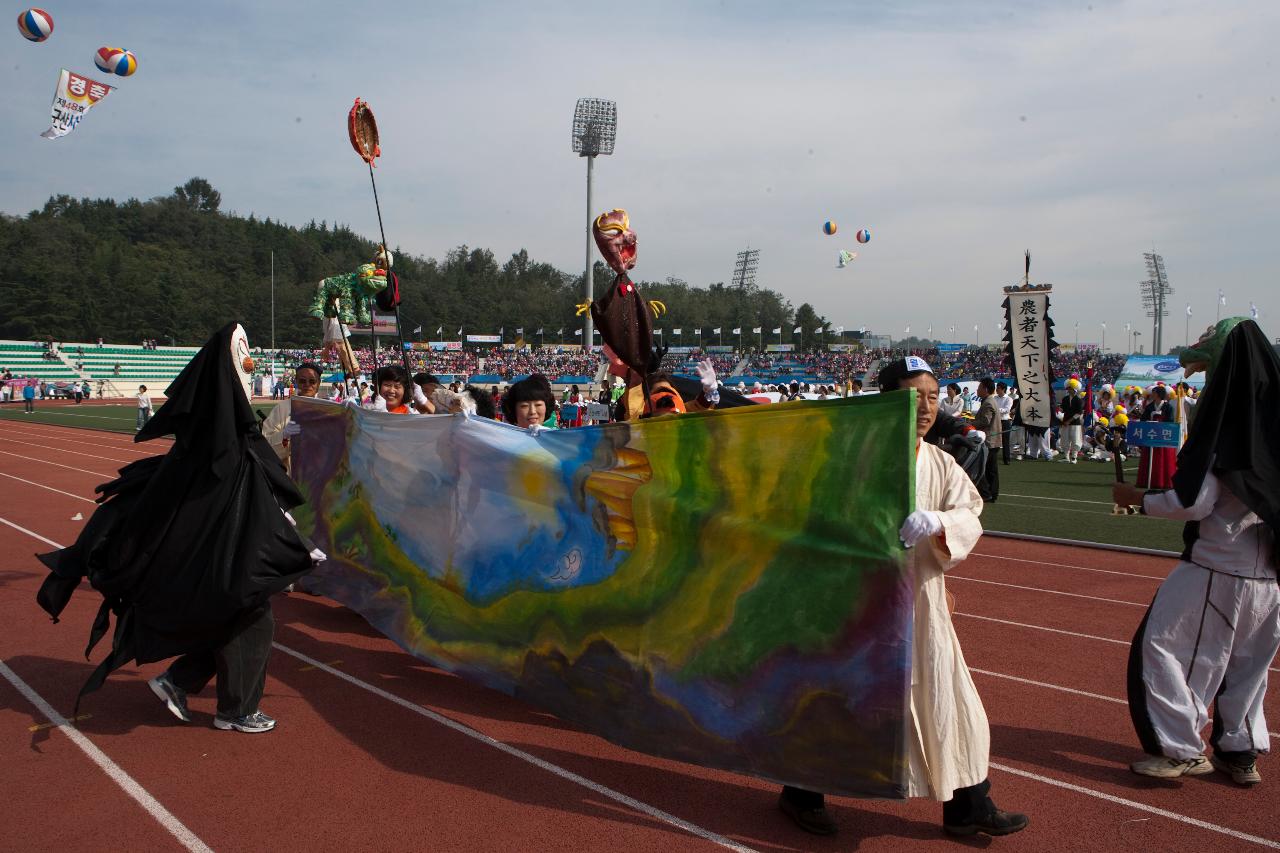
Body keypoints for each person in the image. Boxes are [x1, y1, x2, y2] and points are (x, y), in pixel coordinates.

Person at [778, 356, 1027, 838]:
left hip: (922, 603)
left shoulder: (940, 463)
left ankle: (967, 804)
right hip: (857, 604)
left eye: (933, 397)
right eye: (915, 397)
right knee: (840, 696)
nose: (926, 407)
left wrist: (940, 524)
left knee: (947, 695)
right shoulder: (852, 457)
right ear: (890, 399)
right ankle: (801, 791)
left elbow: (970, 513)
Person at [36, 323, 318, 733]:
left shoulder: (223, 435)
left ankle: (182, 683)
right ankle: (234, 709)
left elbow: (251, 492)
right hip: (221, 556)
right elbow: (235, 497)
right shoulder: (220, 442)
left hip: (224, 553)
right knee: (251, 618)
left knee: (233, 618)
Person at [1119, 318, 1279, 786]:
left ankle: (1179, 748)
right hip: (1270, 576)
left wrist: (1137, 500)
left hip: (1216, 565)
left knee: (1164, 647)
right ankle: (1240, 748)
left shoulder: (1227, 425)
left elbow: (1194, 502)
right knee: (1249, 667)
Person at [260, 362, 323, 470]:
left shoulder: (327, 410)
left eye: (312, 381)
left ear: (318, 384)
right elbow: (264, 448)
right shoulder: (281, 409)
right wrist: (284, 435)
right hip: (290, 478)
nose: (307, 384)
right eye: (302, 381)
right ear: (296, 382)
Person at [970, 378, 1001, 502]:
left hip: (989, 440)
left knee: (985, 469)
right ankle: (991, 494)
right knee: (991, 469)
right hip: (993, 440)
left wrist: (970, 423)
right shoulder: (990, 401)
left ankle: (987, 493)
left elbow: (985, 421)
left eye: (979, 388)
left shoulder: (988, 402)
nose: (977, 390)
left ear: (986, 389)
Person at [1060, 380, 1085, 464]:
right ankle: (1066, 457)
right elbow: (1063, 409)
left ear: (1075, 390)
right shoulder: (1065, 399)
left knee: (1075, 440)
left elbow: (1079, 413)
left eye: (1071, 389)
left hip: (1075, 423)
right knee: (1065, 439)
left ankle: (1074, 457)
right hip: (1065, 422)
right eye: (1068, 388)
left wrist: (1069, 421)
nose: (1069, 390)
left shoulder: (1078, 400)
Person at [995, 383, 1014, 464]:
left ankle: (1007, 459)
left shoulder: (1009, 399)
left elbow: (1007, 410)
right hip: (996, 421)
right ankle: (993, 459)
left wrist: (996, 410)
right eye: (996, 388)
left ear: (1003, 389)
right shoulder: (994, 398)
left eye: (998, 388)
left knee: (1005, 441)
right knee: (995, 441)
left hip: (1005, 421)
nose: (996, 389)